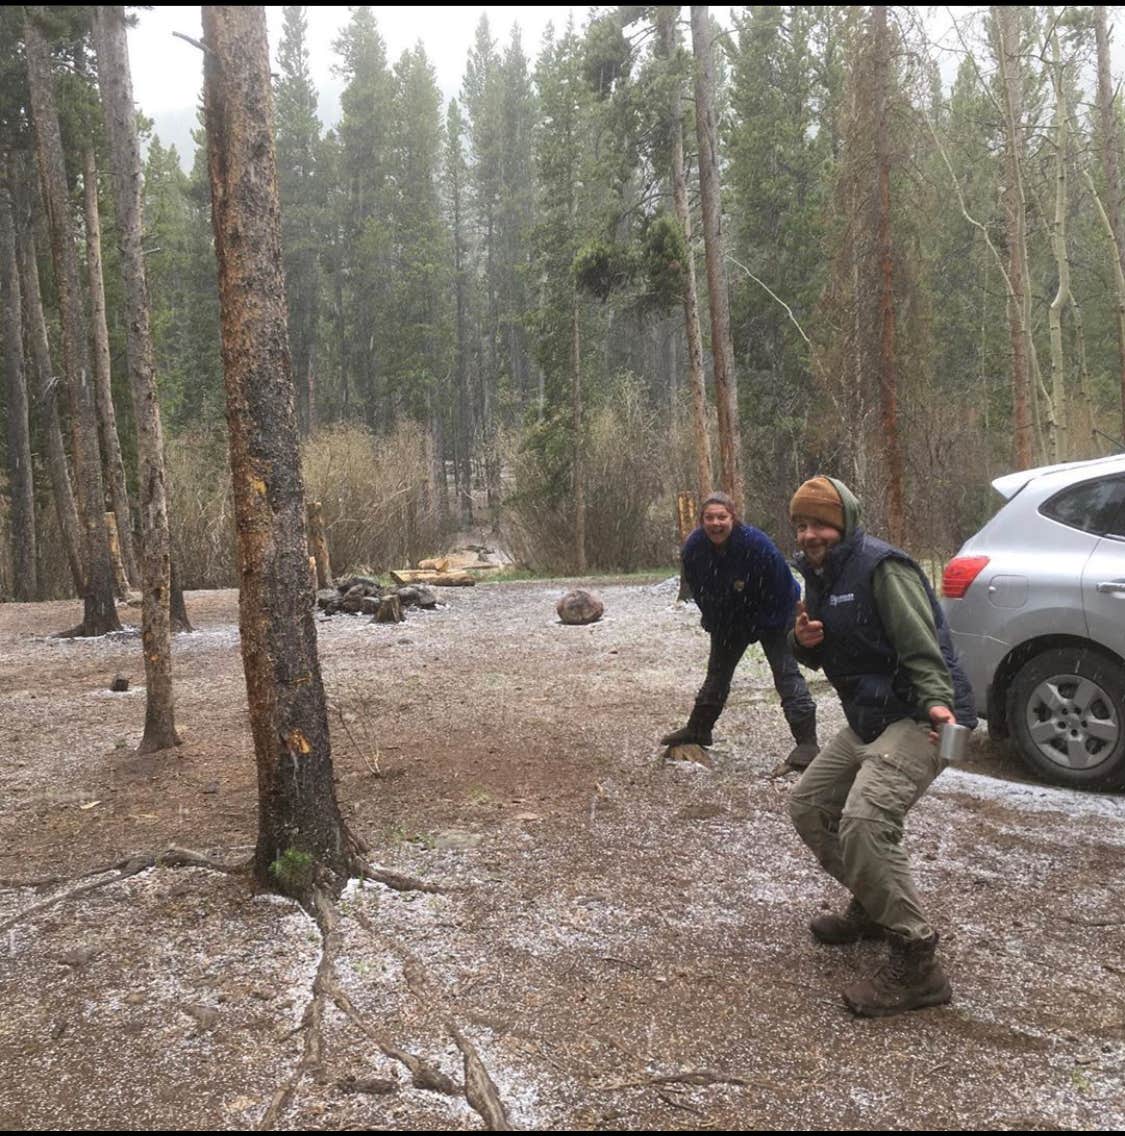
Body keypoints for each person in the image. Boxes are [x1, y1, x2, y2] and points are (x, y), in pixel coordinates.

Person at [785, 475, 977, 1018]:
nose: (809, 534)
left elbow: (922, 645)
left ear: (844, 521)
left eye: (819, 522)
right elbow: (828, 647)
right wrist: (803, 644)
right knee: (809, 805)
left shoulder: (883, 567)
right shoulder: (821, 573)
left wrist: (939, 704)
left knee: (865, 820)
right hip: (872, 715)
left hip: (920, 712)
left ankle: (917, 962)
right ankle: (874, 903)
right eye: (801, 525)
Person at [661, 491, 819, 771]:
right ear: (702, 521)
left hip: (774, 612)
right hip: (730, 618)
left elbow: (784, 587)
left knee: (786, 674)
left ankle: (807, 743)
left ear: (733, 518)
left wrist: (775, 624)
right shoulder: (694, 548)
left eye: (722, 517)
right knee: (716, 677)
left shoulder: (756, 544)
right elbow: (699, 590)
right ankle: (698, 729)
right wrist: (713, 619)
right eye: (709, 518)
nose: (715, 523)